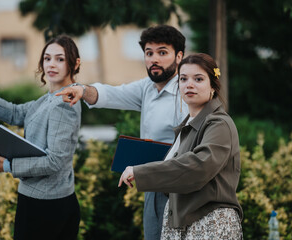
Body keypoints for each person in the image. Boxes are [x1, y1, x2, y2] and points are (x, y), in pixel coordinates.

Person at [56, 25, 189, 240]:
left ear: (179, 56)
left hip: (182, 191)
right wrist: (82, 90)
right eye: (149, 53)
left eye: (162, 53)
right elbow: (112, 94)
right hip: (153, 186)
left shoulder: (187, 90)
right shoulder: (147, 87)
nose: (154, 59)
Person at [0, 35, 82, 240]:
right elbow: (18, 114)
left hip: (48, 208)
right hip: (38, 201)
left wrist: (8, 166)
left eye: (60, 59)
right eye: (47, 58)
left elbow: (54, 162)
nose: (51, 64)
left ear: (75, 63)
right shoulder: (50, 98)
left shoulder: (64, 105)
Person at [118, 53, 243, 239]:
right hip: (184, 224)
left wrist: (140, 172)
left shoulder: (219, 124)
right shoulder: (188, 126)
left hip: (211, 224)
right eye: (183, 79)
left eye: (198, 79)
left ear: (213, 86)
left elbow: (198, 167)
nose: (189, 84)